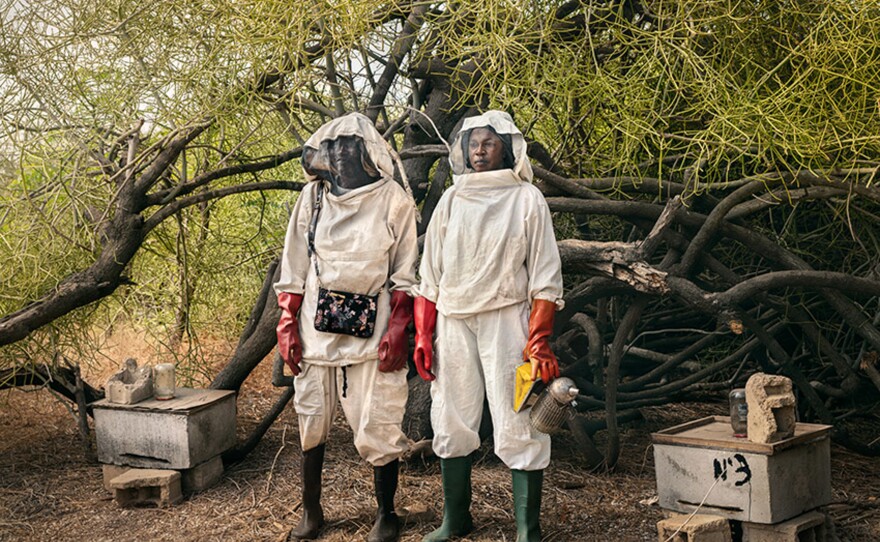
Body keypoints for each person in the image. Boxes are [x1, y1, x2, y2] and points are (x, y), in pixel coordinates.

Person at [412, 110, 564, 542]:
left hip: (507, 318)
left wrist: (538, 338)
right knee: (451, 415)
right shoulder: (451, 200)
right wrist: (423, 334)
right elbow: (430, 274)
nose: (479, 151)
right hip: (453, 319)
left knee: (519, 418)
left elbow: (545, 276)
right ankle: (455, 519)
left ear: (507, 149)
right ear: (464, 150)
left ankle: (527, 529)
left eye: (489, 143)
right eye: (473, 143)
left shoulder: (527, 199)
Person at [274, 112, 418, 542]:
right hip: (315, 328)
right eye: (332, 145)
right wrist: (286, 321)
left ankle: (386, 514)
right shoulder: (313, 197)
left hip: (375, 329)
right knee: (312, 417)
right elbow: (293, 264)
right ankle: (312, 511)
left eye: (348, 145)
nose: (339, 153)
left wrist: (398, 327)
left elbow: (405, 272)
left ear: (366, 150)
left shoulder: (393, 199)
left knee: (379, 419)